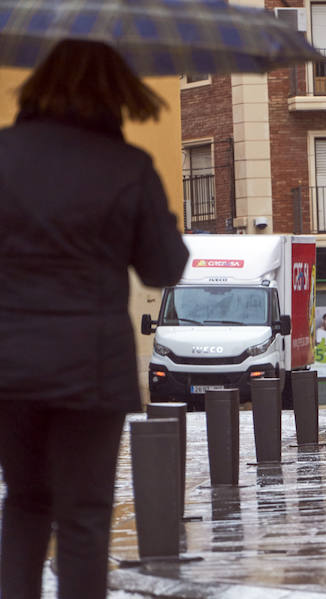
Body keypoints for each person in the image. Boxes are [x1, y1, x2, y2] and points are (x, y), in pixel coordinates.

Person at [0, 40, 189, 599]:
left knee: (25, 503)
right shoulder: (126, 166)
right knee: (84, 515)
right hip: (91, 368)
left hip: (8, 364)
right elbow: (162, 268)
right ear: (114, 93)